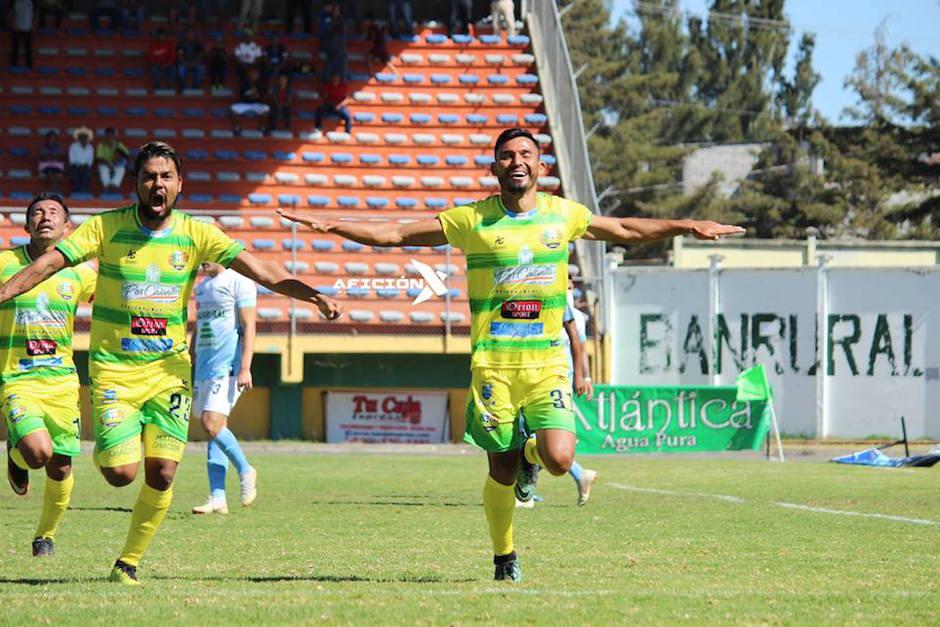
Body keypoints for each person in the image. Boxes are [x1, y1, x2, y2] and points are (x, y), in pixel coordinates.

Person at [277, 127, 744, 582]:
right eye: (507, 156)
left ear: (540, 166)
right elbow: (397, 234)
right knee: (500, 469)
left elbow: (622, 227)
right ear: (494, 167)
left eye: (525, 154)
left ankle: (530, 455)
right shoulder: (472, 220)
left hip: (546, 364)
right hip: (493, 366)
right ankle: (504, 555)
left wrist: (686, 225)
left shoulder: (564, 215)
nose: (516, 162)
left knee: (560, 459)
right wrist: (335, 226)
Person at [0, 141, 342, 585]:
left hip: (169, 373)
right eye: (148, 176)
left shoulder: (198, 234)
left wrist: (311, 293)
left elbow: (261, 270)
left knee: (162, 473)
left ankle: (128, 563)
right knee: (121, 474)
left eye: (165, 176)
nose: (156, 184)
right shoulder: (105, 228)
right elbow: (48, 264)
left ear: (180, 184)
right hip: (115, 373)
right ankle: (51, 456)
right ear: (136, 185)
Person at [3, 192, 96, 558]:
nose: (45, 217)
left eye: (54, 212)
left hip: (62, 380)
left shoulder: (80, 271)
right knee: (38, 452)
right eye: (37, 213)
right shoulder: (6, 263)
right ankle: (18, 454)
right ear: (26, 226)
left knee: (61, 466)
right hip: (17, 377)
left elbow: (113, 294)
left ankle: (46, 536)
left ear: (67, 226)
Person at [516, 281, 597, 509]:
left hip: (559, 377)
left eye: (571, 283)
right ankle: (533, 487)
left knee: (534, 433)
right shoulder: (528, 299)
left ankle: (529, 490)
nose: (569, 285)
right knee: (529, 434)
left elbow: (579, 347)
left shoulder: (574, 315)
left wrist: (583, 377)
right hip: (529, 373)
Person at [190, 262, 258, 515]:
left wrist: (245, 367)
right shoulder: (203, 286)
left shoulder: (239, 281)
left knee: (211, 422)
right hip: (204, 364)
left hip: (227, 363)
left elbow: (249, 325)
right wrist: (191, 353)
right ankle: (218, 497)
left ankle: (245, 469)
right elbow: (199, 324)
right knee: (214, 429)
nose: (201, 260)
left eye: (206, 253)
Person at [230, 66, 269, 135]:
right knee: (233, 108)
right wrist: (249, 94)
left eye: (255, 74)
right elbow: (240, 95)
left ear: (257, 76)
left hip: (256, 104)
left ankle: (262, 127)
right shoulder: (244, 83)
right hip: (245, 103)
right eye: (252, 74)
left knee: (266, 109)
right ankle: (237, 127)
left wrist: (257, 95)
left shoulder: (261, 84)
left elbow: (263, 96)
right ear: (249, 75)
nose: (253, 76)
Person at [95, 128, 129, 193]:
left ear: (114, 136)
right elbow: (99, 158)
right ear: (105, 136)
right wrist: (109, 165)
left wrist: (118, 158)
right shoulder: (101, 145)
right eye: (108, 135)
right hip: (105, 163)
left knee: (121, 169)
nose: (110, 137)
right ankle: (107, 186)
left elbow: (127, 154)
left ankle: (114, 185)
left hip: (116, 164)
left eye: (112, 135)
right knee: (103, 169)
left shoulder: (118, 144)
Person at [177, 26, 206, 90]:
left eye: (191, 33)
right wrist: (185, 63)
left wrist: (194, 63)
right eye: (188, 33)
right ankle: (183, 88)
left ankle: (194, 87)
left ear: (194, 34)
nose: (190, 34)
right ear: (185, 34)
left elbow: (200, 55)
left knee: (201, 68)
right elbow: (180, 55)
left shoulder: (198, 43)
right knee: (180, 69)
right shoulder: (181, 43)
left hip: (195, 63)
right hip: (184, 63)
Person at [67, 126, 94, 194]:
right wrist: (78, 165)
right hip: (75, 166)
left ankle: (83, 190)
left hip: (86, 166)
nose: (83, 138)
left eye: (85, 137)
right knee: (74, 172)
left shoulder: (90, 147)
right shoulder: (73, 146)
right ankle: (76, 190)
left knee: (87, 172)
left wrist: (85, 165)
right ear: (79, 138)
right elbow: (72, 159)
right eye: (82, 137)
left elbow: (90, 160)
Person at [10, 0, 34, 69]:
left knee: (28, 50)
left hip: (28, 29)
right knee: (15, 49)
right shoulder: (14, 1)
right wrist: (14, 24)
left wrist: (33, 24)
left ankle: (29, 67)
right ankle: (13, 66)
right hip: (16, 29)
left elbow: (35, 12)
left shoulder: (31, 1)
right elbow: (11, 13)